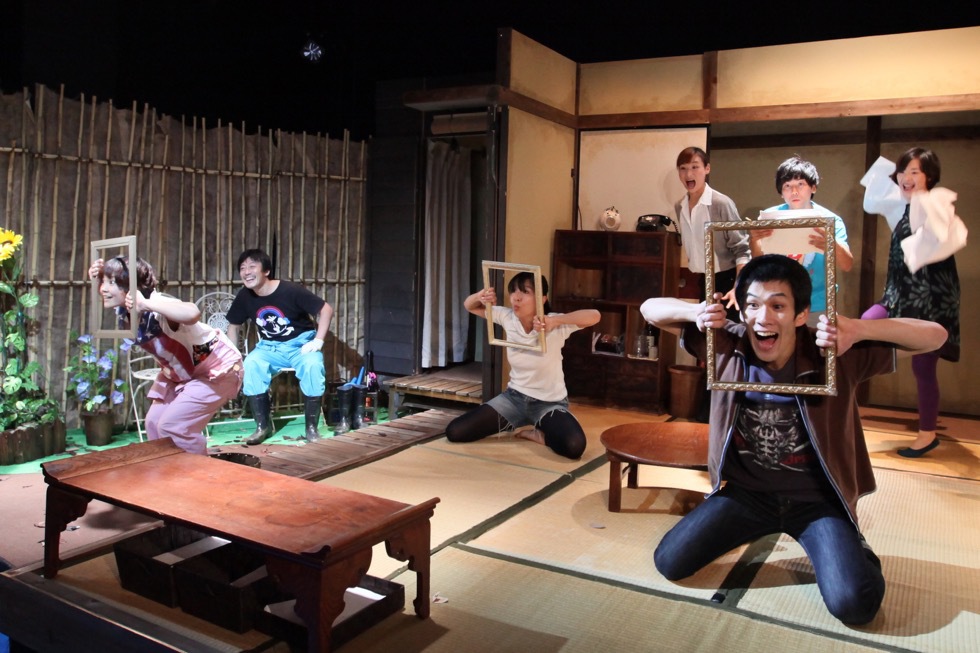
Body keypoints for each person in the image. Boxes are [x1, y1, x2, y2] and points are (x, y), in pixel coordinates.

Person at [640, 254, 947, 625]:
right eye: (753, 305)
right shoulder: (726, 344)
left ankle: (853, 544)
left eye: (777, 306)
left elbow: (935, 335)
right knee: (670, 561)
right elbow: (649, 309)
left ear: (801, 314)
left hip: (816, 503)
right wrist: (697, 312)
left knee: (854, 605)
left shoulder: (832, 352)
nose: (763, 318)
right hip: (746, 496)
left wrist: (858, 329)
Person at [860, 147, 960, 458]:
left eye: (915, 171)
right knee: (863, 326)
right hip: (899, 293)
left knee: (923, 366)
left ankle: (927, 434)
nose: (906, 177)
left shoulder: (937, 203)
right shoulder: (902, 207)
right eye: (903, 171)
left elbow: (946, 239)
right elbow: (872, 200)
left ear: (929, 176)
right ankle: (844, 410)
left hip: (930, 297)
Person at [89, 256, 244, 455]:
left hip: (217, 368)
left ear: (131, 285)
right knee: (153, 424)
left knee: (173, 427)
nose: (103, 288)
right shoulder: (124, 308)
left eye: (111, 282)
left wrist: (147, 304)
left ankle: (197, 471)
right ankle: (169, 469)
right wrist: (97, 277)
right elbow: (111, 293)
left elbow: (192, 313)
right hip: (180, 372)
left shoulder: (155, 302)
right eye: (103, 282)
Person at [444, 272, 600, 460]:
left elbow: (595, 316)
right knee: (455, 431)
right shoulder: (507, 317)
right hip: (514, 399)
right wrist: (479, 296)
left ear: (542, 299)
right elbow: (469, 306)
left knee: (574, 446)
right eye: (513, 291)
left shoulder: (553, 322)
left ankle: (539, 434)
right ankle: (518, 422)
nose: (516, 297)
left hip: (549, 403)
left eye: (525, 292)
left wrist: (555, 321)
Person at [225, 249, 334, 444]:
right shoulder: (245, 296)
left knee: (313, 366)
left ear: (266, 271)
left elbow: (326, 309)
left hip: (300, 345)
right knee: (252, 364)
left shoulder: (290, 290)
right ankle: (262, 427)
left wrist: (318, 341)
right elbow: (233, 326)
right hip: (269, 347)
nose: (246, 272)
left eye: (252, 267)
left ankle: (311, 428)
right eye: (242, 268)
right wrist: (233, 357)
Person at [750, 156, 853, 325]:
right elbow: (757, 262)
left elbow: (847, 265)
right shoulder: (770, 217)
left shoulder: (830, 219)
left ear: (813, 187)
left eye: (800, 184)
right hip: (777, 300)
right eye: (787, 186)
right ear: (781, 192)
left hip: (818, 302)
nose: (794, 191)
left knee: (819, 341)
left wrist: (831, 244)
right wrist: (755, 239)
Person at [674, 146, 751, 321]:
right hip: (701, 278)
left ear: (707, 169)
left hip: (727, 278)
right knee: (705, 330)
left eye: (695, 167)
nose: (688, 174)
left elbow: (742, 248)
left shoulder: (721, 203)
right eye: (683, 168)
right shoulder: (680, 206)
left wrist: (738, 286)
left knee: (728, 332)